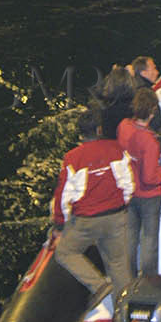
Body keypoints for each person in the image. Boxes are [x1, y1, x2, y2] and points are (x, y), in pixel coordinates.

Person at [51, 109, 134, 308]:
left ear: (80, 133)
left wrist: (59, 226)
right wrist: (121, 204)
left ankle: (97, 285)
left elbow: (63, 197)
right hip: (116, 216)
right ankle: (124, 313)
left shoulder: (72, 158)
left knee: (65, 253)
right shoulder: (116, 149)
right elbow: (128, 183)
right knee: (118, 264)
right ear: (99, 130)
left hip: (86, 221)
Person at [117, 87, 161, 276]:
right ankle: (148, 278)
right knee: (149, 239)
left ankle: (128, 277)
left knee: (130, 237)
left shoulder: (123, 126)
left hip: (129, 191)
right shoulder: (150, 141)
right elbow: (149, 177)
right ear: (153, 110)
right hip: (148, 195)